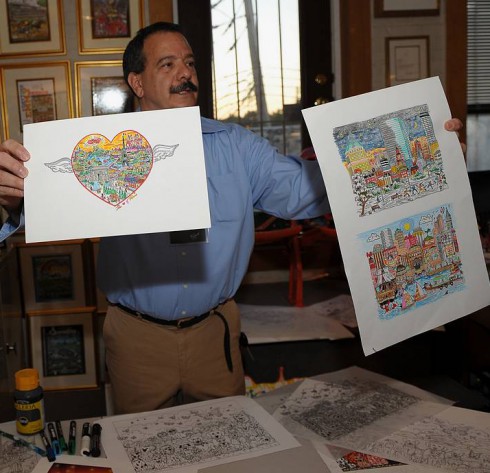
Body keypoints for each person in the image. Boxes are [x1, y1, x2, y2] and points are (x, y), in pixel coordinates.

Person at [0, 22, 465, 415]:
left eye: (190, 63)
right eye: (167, 65)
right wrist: (9, 200)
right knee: (140, 454)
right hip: (136, 338)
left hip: (215, 334)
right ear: (137, 83)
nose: (185, 73)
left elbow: (308, 190)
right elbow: (28, 212)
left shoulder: (238, 148)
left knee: (230, 452)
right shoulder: (92, 153)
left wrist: (420, 155)